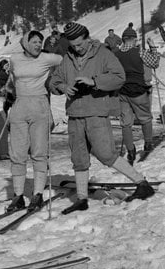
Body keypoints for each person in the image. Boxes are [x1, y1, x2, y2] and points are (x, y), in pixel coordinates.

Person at [49, 21, 155, 213]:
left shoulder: (104, 54)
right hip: (74, 113)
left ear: (88, 38)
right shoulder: (67, 58)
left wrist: (94, 81)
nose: (77, 48)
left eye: (80, 44)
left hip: (96, 112)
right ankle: (82, 199)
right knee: (79, 158)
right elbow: (53, 81)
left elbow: (119, 77)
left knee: (106, 154)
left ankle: (142, 183)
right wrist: (63, 87)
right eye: (73, 46)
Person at [5, 31, 62, 212]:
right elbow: (11, 81)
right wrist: (8, 94)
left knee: (39, 152)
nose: (38, 44)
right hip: (19, 105)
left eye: (40, 42)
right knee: (17, 153)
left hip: (39, 105)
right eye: (34, 41)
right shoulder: (14, 59)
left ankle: (37, 194)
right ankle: (18, 195)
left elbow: (67, 60)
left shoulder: (48, 58)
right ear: (25, 43)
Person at [113, 29, 160, 162]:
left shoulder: (115, 54)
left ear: (123, 39)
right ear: (133, 39)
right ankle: (148, 143)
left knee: (125, 123)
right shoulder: (139, 52)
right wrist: (153, 48)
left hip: (122, 91)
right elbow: (154, 63)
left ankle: (130, 150)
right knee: (145, 118)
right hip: (138, 90)